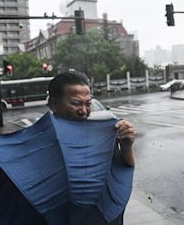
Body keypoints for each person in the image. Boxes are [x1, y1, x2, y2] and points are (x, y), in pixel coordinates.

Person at [47, 71, 136, 224]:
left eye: (88, 104)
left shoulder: (101, 133)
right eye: (76, 103)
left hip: (101, 215)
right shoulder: (43, 138)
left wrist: (127, 145)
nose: (83, 110)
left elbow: (125, 167)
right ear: (55, 104)